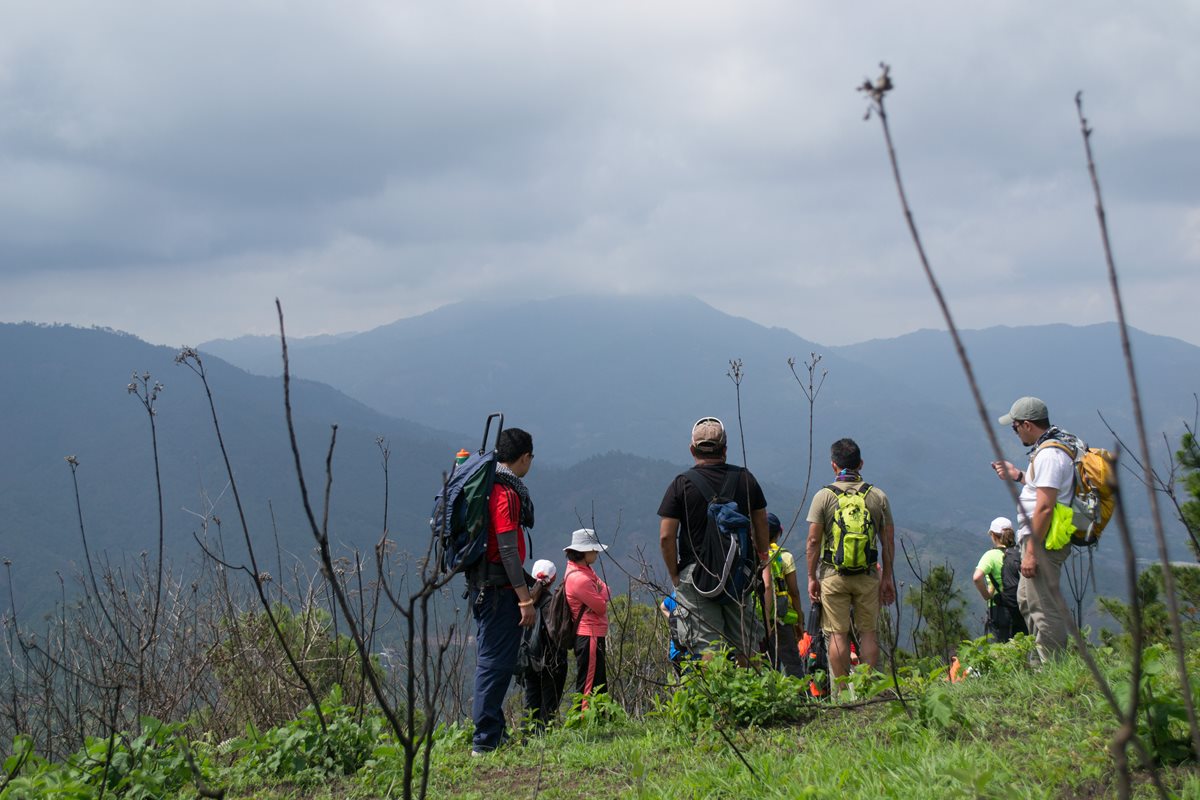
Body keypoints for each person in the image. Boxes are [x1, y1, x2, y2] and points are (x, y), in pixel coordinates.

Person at [658, 417, 770, 666]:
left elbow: (666, 536)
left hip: (695, 576)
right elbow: (761, 523)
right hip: (737, 574)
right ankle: (752, 697)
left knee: (707, 648)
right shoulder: (745, 479)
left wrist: (675, 574)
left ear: (692, 449)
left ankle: (718, 703)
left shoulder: (681, 484)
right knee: (746, 644)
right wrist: (761, 558)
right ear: (725, 449)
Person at [991, 396, 1076, 664]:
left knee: (1043, 606)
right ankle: (1038, 661)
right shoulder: (1048, 449)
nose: (1014, 433)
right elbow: (1041, 487)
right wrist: (1018, 475)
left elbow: (1045, 508)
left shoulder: (1050, 454)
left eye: (1015, 427)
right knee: (1027, 599)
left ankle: (1052, 668)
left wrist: (1031, 554)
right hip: (1039, 539)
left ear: (1027, 425)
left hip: (1043, 542)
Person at [806, 438, 895, 689]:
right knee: (868, 632)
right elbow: (888, 541)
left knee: (837, 633)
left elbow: (813, 541)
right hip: (868, 575)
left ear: (834, 466)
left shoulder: (824, 496)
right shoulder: (877, 496)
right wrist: (887, 577)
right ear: (861, 463)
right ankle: (869, 689)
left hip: (833, 575)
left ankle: (842, 692)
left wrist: (812, 577)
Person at [469, 427, 536, 756]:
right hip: (498, 590)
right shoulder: (505, 493)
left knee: (492, 659)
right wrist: (525, 598)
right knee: (495, 663)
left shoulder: (488, 484)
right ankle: (484, 740)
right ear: (524, 458)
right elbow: (508, 551)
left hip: (484, 585)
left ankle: (494, 730)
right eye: (530, 459)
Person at [563, 528, 611, 704]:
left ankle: (598, 720)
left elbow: (606, 590)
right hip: (588, 634)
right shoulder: (581, 578)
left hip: (593, 633)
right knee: (589, 683)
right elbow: (601, 607)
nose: (596, 552)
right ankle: (583, 723)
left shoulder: (584, 570)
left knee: (599, 681)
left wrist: (600, 592)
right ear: (584, 552)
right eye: (593, 549)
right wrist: (600, 592)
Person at [520, 559, 568, 730]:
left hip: (529, 661)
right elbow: (560, 633)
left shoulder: (524, 601)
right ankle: (543, 740)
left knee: (530, 703)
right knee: (548, 707)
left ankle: (526, 739)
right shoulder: (554, 601)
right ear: (553, 578)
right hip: (551, 662)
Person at [761, 512, 806, 677]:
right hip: (782, 619)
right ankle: (803, 700)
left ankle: (770, 699)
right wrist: (799, 621)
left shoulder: (754, 555)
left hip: (759, 619)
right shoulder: (785, 556)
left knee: (766, 665)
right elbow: (794, 592)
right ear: (777, 534)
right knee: (793, 665)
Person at [972, 516, 1028, 643]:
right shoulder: (1021, 553)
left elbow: (977, 578)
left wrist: (987, 595)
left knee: (1002, 650)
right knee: (1022, 646)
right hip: (1021, 607)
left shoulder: (991, 555)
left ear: (993, 535)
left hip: (1000, 609)